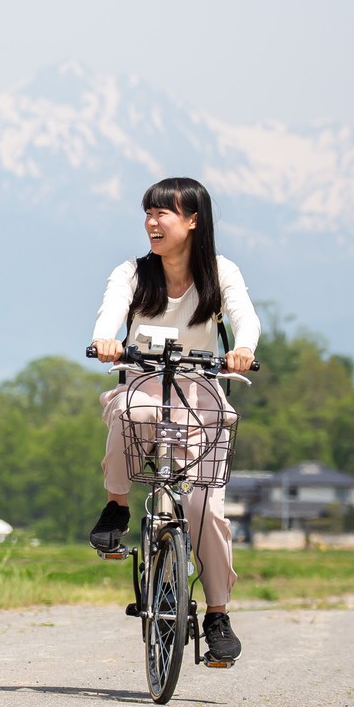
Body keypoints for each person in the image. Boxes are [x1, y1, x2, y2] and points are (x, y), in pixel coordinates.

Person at [88, 176, 259, 664]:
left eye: (163, 213)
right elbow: (110, 312)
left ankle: (218, 614)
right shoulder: (132, 272)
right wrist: (107, 340)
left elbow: (246, 317)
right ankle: (117, 505)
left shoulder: (219, 272)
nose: (152, 222)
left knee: (208, 508)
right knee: (125, 411)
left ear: (192, 221)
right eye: (148, 213)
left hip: (200, 393)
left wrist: (243, 349)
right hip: (143, 383)